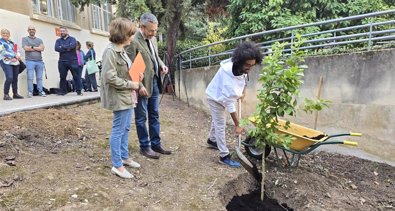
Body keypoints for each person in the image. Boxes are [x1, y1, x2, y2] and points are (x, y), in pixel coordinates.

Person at [205, 41, 263, 168]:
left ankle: (212, 140)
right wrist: (238, 125)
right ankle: (224, 156)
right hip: (215, 97)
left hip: (222, 95)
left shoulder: (242, 68)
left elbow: (244, 79)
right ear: (240, 61)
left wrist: (242, 92)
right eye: (247, 65)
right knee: (221, 124)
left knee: (218, 119)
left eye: (252, 65)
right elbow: (230, 103)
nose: (249, 68)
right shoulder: (228, 76)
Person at [101, 17, 142, 179]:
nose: (132, 37)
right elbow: (109, 77)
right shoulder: (110, 51)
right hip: (120, 96)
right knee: (118, 130)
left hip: (126, 95)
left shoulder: (122, 50)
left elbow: (125, 71)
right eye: (130, 34)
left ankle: (124, 157)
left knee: (125, 128)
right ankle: (117, 165)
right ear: (122, 34)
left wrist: (137, 74)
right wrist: (131, 84)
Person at [126, 12, 171, 159]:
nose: (154, 33)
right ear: (142, 26)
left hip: (155, 82)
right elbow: (131, 66)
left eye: (155, 30)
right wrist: (138, 85)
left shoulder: (153, 40)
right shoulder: (133, 41)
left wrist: (162, 65)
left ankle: (156, 144)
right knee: (141, 117)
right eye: (151, 30)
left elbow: (155, 56)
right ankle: (145, 147)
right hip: (142, 85)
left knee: (154, 115)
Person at [54, 26, 83, 96]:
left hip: (73, 61)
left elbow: (72, 46)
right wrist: (67, 47)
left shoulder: (73, 39)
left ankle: (79, 91)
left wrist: (62, 47)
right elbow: (56, 48)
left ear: (67, 32)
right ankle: (63, 91)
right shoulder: (58, 41)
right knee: (62, 77)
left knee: (76, 76)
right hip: (62, 61)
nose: (62, 32)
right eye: (61, 31)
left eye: (63, 31)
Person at [0, 28, 24, 100]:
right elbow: (3, 52)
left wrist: (18, 56)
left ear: (9, 35)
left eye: (7, 33)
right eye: (3, 33)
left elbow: (17, 50)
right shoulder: (0, 42)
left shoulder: (12, 43)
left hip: (15, 62)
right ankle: (6, 94)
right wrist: (14, 55)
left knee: (15, 78)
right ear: (1, 34)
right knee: (9, 77)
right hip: (6, 61)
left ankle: (15, 94)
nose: (5, 35)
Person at [22, 26, 46, 98]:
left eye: (33, 29)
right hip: (30, 61)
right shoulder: (25, 39)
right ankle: (30, 92)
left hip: (39, 61)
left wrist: (32, 47)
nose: (31, 30)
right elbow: (26, 48)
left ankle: (40, 91)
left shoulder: (39, 40)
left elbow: (42, 48)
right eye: (30, 29)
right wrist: (37, 48)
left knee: (39, 78)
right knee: (30, 77)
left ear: (35, 30)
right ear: (28, 30)